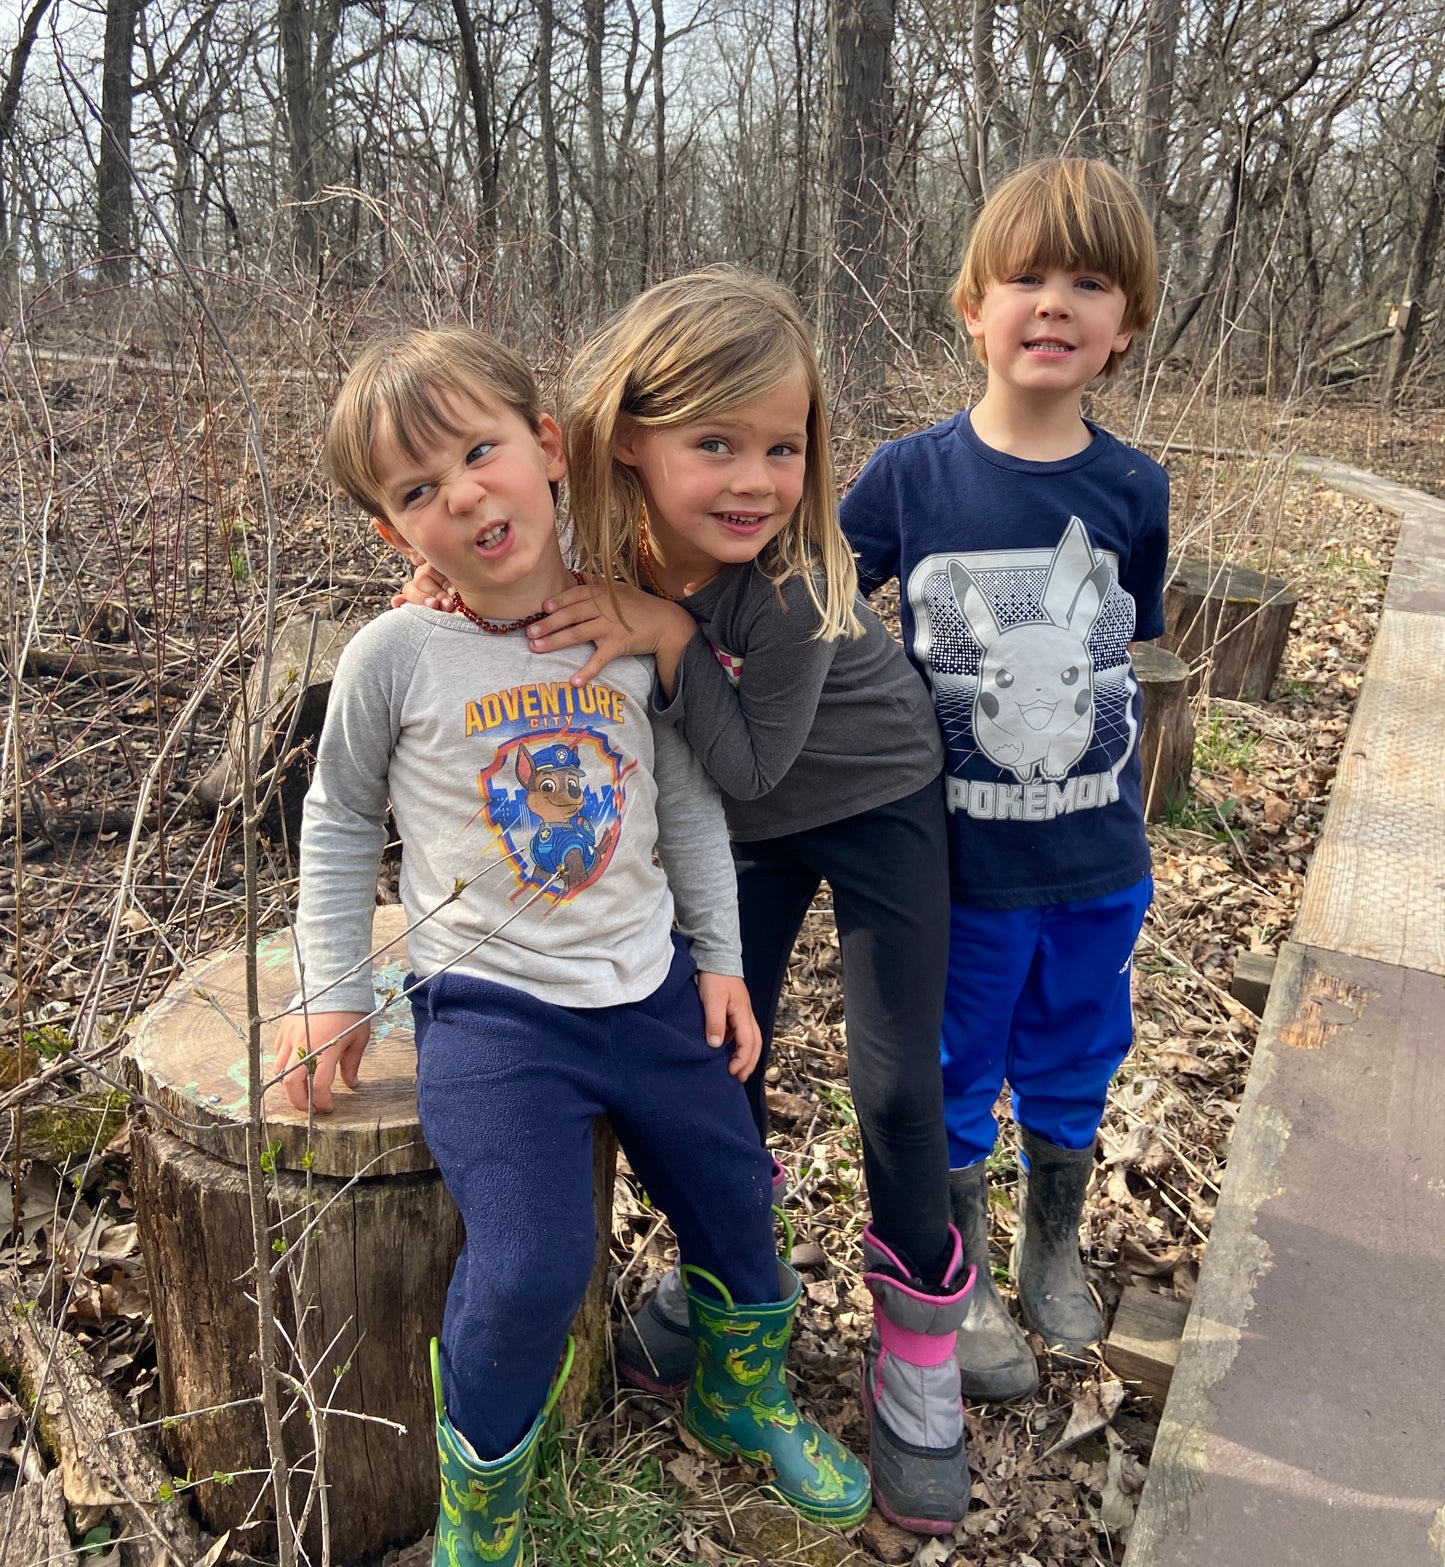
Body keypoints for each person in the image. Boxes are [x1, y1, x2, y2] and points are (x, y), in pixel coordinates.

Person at [272, 328, 871, 1567]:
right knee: (535, 1261)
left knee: (736, 1195)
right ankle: (480, 1509)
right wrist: (333, 987)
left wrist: (713, 955)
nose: (464, 496)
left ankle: (738, 1391)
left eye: (480, 452)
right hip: (495, 1015)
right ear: (395, 536)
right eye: (417, 490)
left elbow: (690, 797)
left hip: (645, 987)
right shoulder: (395, 654)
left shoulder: (616, 623)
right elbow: (335, 820)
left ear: (546, 449)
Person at [523, 273, 972, 1536]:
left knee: (891, 1081)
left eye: (781, 447)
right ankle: (733, 1282)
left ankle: (916, 1349)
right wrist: (438, 599)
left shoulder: (787, 580)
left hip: (880, 799)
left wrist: (666, 632)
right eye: (713, 443)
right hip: (744, 833)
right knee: (715, 1052)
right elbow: (510, 576)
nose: (753, 479)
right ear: (627, 438)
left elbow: (747, 759)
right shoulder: (601, 544)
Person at [840, 157, 1169, 1404]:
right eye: (1023, 275)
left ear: (1121, 329)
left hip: (1093, 855)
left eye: (1087, 282)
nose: (1052, 302)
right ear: (969, 306)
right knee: (953, 1059)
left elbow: (1123, 635)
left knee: (1078, 1043)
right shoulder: (910, 479)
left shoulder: (1130, 488)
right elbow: (808, 594)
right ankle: (957, 1262)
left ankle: (1052, 1232)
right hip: (957, 867)